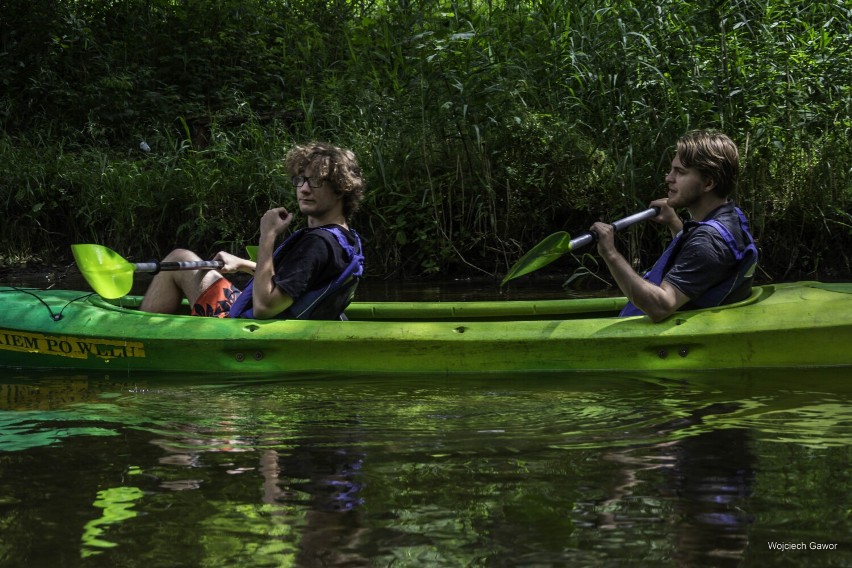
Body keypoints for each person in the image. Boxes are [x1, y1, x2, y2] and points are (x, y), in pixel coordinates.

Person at [139, 141, 366, 320]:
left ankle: (136, 337)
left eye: (316, 181)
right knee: (182, 258)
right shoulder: (344, 238)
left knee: (178, 259)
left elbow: (264, 308)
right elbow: (298, 280)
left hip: (245, 326)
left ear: (340, 189)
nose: (304, 189)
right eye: (300, 180)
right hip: (282, 317)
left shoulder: (318, 244)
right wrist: (243, 264)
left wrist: (267, 235)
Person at [590, 130, 757, 322]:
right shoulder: (731, 216)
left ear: (709, 182)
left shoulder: (710, 242)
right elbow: (700, 263)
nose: (669, 178)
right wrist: (674, 223)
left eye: (680, 172)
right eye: (671, 170)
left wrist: (610, 253)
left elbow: (662, 306)